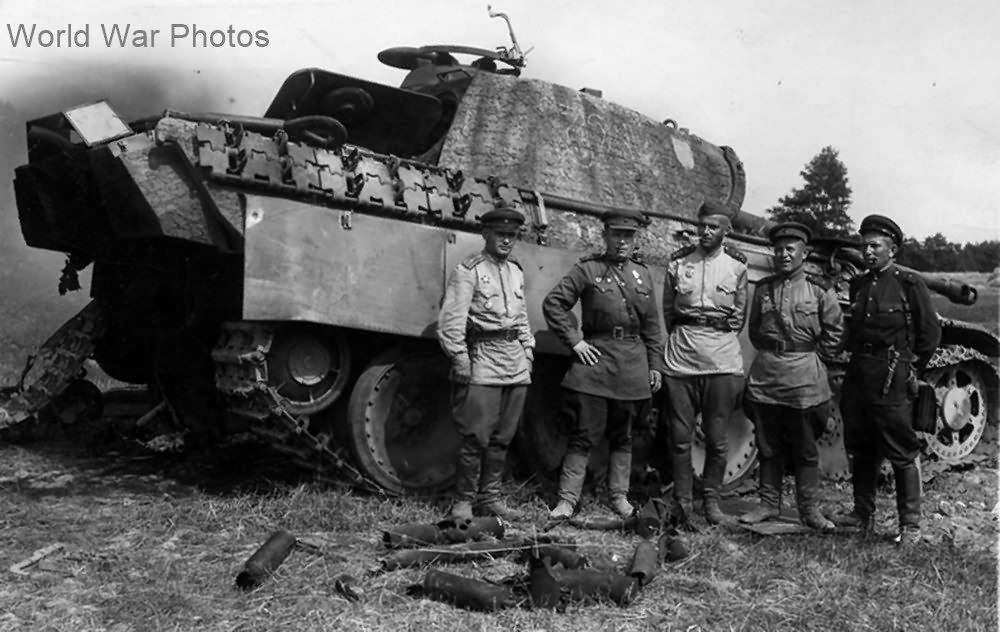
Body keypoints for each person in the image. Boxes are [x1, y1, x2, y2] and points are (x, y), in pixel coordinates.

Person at [543, 209, 664, 519]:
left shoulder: (643, 274)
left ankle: (619, 497)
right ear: (605, 236)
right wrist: (575, 341)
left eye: (628, 236)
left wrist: (654, 365)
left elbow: (652, 326)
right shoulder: (588, 269)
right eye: (617, 234)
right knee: (583, 433)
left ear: (635, 240)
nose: (622, 241)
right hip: (596, 363)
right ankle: (567, 500)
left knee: (623, 435)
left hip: (631, 365)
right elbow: (554, 303)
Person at [832, 214, 941, 545]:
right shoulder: (859, 285)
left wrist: (910, 368)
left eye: (874, 245)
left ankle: (910, 525)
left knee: (901, 450)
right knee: (861, 447)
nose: (867, 251)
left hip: (892, 377)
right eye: (864, 244)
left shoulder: (909, 284)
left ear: (891, 249)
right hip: (860, 375)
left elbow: (930, 335)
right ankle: (862, 514)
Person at [738, 222, 845, 530]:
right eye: (779, 249)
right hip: (767, 377)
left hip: (804, 380)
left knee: (805, 447)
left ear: (804, 253)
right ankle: (768, 505)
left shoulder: (820, 290)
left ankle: (809, 510)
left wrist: (810, 357)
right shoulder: (764, 289)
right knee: (767, 443)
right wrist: (776, 352)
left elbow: (835, 333)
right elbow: (756, 331)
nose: (783, 254)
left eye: (790, 249)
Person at [437, 207, 535, 521]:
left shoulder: (516, 271)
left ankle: (490, 498)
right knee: (475, 436)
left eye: (512, 236)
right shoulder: (470, 270)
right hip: (485, 358)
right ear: (486, 234)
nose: (507, 241)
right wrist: (460, 358)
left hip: (515, 363)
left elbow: (521, 316)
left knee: (502, 437)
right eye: (501, 234)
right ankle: (464, 501)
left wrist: (528, 351)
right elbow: (452, 320)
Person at [661, 200, 748, 525]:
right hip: (681, 362)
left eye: (714, 226)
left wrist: (714, 336)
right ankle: (682, 501)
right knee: (680, 437)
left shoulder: (737, 265)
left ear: (727, 230)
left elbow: (739, 316)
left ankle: (711, 500)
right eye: (703, 226)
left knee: (717, 438)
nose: (706, 232)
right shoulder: (679, 262)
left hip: (721, 362)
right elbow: (668, 310)